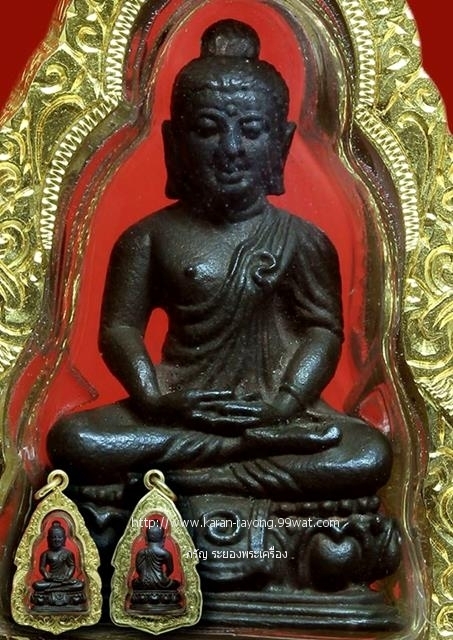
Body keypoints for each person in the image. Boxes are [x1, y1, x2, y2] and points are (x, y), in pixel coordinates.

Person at [48, 19, 392, 502]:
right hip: (180, 410)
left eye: (251, 130)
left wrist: (284, 403)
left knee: (367, 452)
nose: (231, 149)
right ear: (175, 142)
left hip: (274, 414)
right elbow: (120, 329)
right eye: (208, 129)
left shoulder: (301, 240)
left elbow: (323, 331)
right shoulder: (148, 237)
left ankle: (191, 477)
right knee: (75, 439)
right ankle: (238, 459)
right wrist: (155, 397)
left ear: (281, 142)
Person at [32, 521, 84, 593]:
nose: (57, 540)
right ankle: (61, 587)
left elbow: (72, 566)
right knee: (37, 585)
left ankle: (54, 588)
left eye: (60, 537)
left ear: (64, 539)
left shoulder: (68, 553)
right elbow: (42, 567)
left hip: (65, 579)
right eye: (53, 537)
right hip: (52, 579)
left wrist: (67, 576)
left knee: (80, 584)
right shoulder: (46, 554)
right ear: (48, 539)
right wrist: (47, 575)